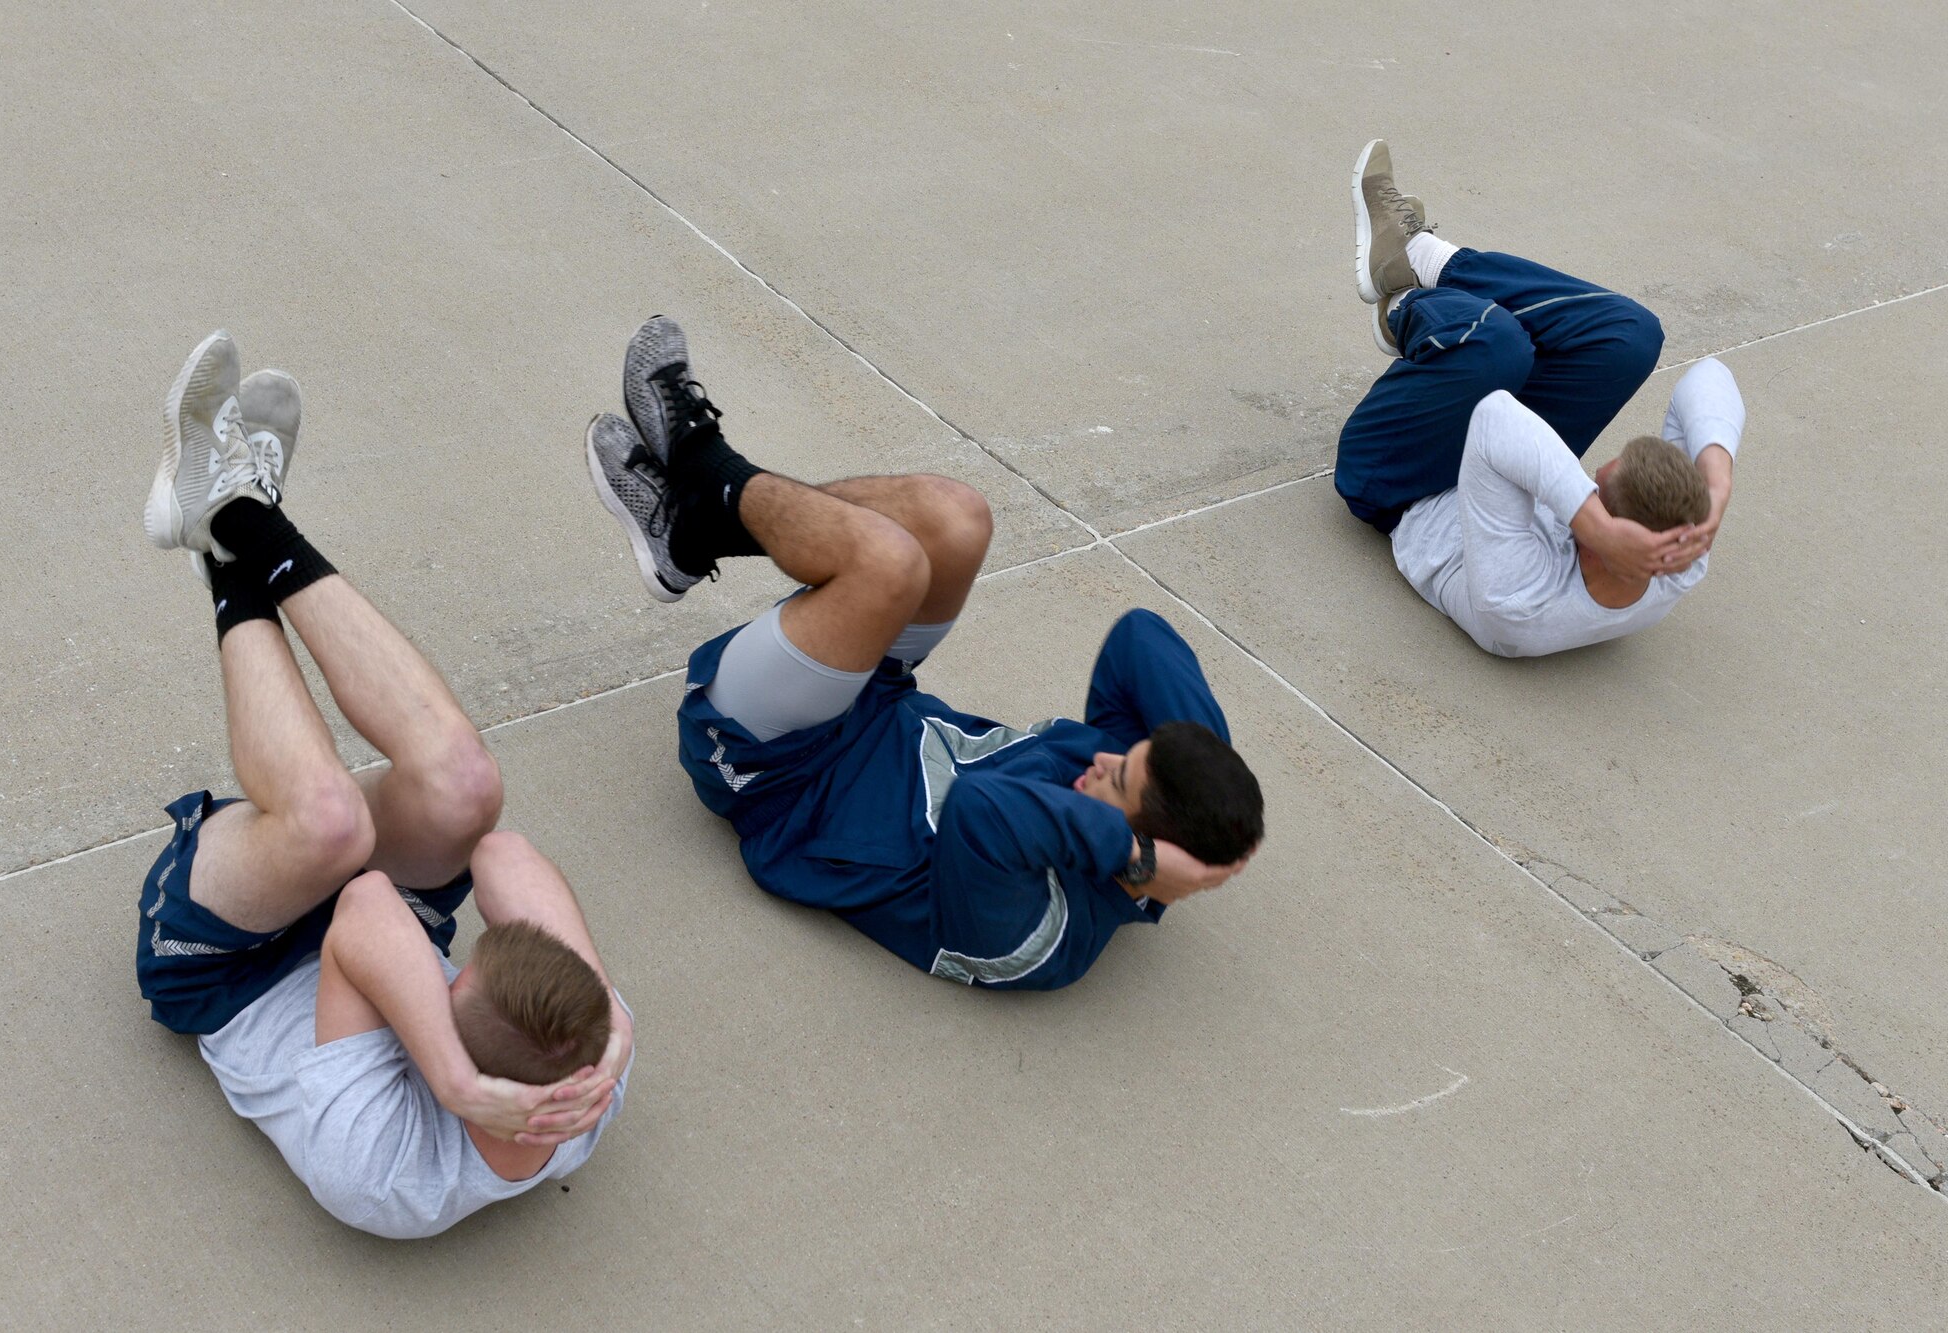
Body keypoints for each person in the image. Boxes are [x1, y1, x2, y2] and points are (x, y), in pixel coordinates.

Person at [583, 318, 1264, 989]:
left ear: (1136, 846)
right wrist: (1208, 762)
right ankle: (694, 527)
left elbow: (984, 809)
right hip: (873, 700)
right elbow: (1141, 637)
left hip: (773, 766)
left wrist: (1134, 856)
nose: (1104, 757)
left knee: (889, 564)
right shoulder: (1129, 789)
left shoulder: (1039, 934)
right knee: (956, 516)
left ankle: (708, 476)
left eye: (1117, 779)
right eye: (1125, 756)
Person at [136, 331, 633, 1238]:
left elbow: (366, 907)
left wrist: (448, 1075)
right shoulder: (580, 1063)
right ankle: (241, 512)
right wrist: (611, 1025)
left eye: (459, 974)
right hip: (365, 936)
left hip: (224, 966)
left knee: (330, 825)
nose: (458, 959)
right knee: (467, 787)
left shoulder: (385, 1176)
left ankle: (225, 538)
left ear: (449, 1014)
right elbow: (503, 854)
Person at [1335, 140, 1746, 658]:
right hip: (1506, 463)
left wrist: (1589, 521)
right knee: (1631, 337)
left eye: (1595, 490)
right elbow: (1709, 377)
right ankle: (1417, 257)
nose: (1590, 476)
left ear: (1606, 540)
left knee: (1497, 347)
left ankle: (1409, 307)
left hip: (1398, 478)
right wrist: (1717, 482)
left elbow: (1496, 418)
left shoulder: (1520, 601)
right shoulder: (1673, 561)